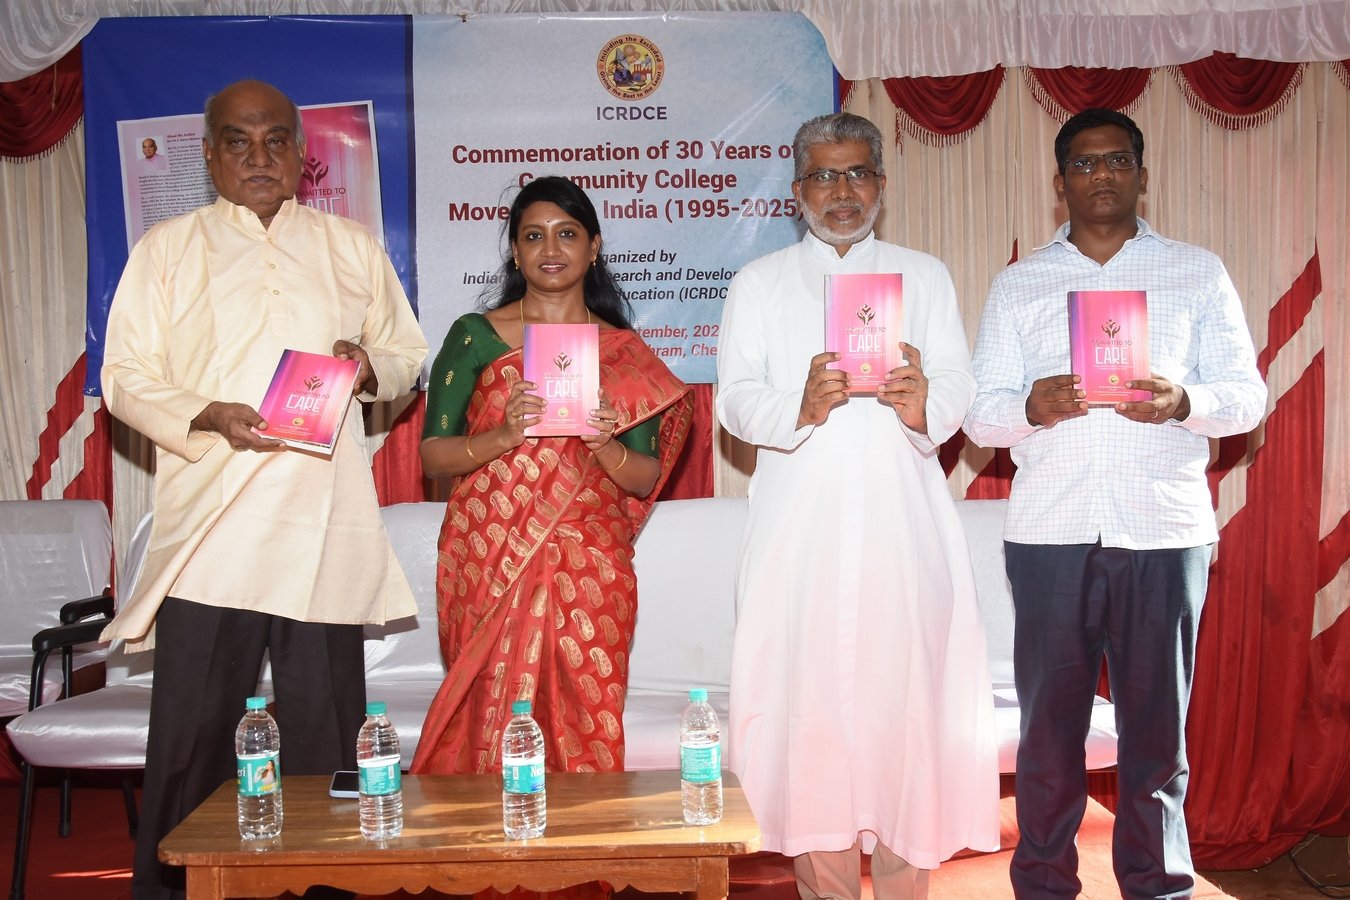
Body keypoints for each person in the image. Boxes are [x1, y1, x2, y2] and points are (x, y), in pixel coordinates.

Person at [100, 79, 427, 899]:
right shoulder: (168, 250)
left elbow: (406, 353)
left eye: (276, 139)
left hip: (322, 523)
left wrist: (368, 367)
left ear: (302, 155)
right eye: (238, 141)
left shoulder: (350, 247)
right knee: (193, 737)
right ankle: (174, 891)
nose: (258, 156)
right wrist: (205, 413)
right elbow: (125, 377)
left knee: (328, 739)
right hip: (215, 530)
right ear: (209, 156)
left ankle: (325, 887)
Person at [964, 108, 1267, 899]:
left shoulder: (1196, 272)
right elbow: (980, 416)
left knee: (1156, 738)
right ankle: (1043, 885)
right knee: (1048, 735)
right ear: (1059, 181)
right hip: (1050, 534)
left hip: (1163, 531)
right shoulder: (1020, 282)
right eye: (1084, 163)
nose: (1101, 174)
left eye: (1117, 160)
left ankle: (1158, 887)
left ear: (1141, 173)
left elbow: (1246, 398)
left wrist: (1183, 400)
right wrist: (1029, 407)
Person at [716, 111, 1000, 900]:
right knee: (809, 720)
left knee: (908, 712)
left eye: (857, 174)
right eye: (824, 176)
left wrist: (924, 402)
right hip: (798, 538)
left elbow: (961, 384)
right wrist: (799, 406)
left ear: (880, 182)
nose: (842, 192)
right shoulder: (760, 283)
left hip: (903, 533)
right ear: (796, 190)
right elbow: (734, 400)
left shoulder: (924, 275)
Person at [411, 175, 693, 778]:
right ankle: (482, 836)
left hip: (589, 560)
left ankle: (583, 837)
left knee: (584, 711)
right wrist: (503, 435)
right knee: (488, 710)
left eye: (567, 234)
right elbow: (433, 456)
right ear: (515, 252)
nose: (551, 249)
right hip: (489, 555)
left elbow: (642, 478)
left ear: (594, 246)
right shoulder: (476, 336)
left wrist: (604, 445)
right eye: (533, 236)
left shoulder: (624, 353)